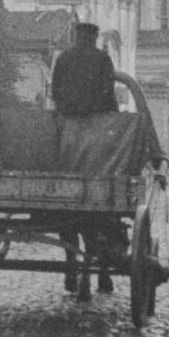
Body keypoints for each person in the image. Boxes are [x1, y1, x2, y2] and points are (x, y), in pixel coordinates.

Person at [51, 23, 118, 295]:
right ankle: (97, 272)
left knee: (66, 175)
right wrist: (111, 119)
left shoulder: (63, 58)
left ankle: (71, 268)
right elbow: (108, 93)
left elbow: (54, 91)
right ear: (94, 38)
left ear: (76, 36)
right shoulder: (102, 59)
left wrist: (66, 109)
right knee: (97, 195)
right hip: (95, 127)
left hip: (67, 126)